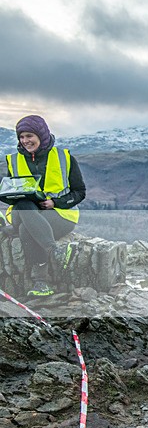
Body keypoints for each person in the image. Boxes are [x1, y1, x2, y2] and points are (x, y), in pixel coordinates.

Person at [3, 115, 85, 296]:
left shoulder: (65, 157)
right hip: (22, 212)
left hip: (59, 215)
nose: (25, 141)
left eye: (29, 136)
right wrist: (10, 195)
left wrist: (56, 202)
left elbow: (80, 192)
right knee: (24, 204)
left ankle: (41, 283)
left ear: (41, 135)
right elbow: (10, 194)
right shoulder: (14, 160)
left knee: (25, 230)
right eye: (21, 137)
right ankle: (54, 251)